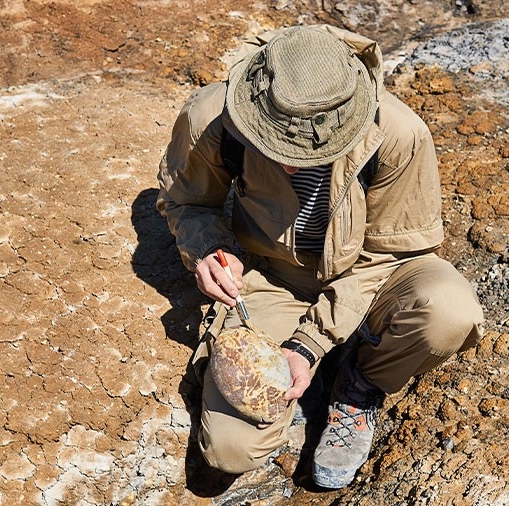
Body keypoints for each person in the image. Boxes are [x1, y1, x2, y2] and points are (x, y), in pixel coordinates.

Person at [157, 24, 484, 490]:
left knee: (449, 312)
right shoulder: (213, 114)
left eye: (307, 150)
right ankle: (338, 352)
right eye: (269, 140)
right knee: (230, 449)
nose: (287, 160)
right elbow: (187, 201)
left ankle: (359, 384)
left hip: (376, 275)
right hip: (274, 278)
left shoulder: (399, 133)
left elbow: (392, 253)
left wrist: (309, 344)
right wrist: (206, 249)